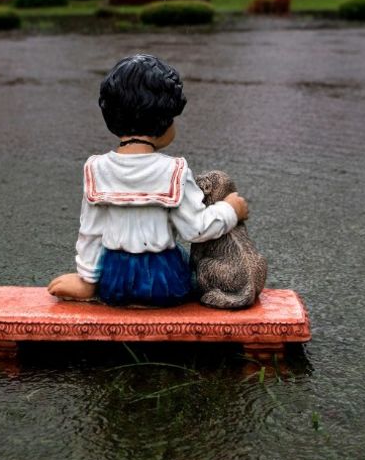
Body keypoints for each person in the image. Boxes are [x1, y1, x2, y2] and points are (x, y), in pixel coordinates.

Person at [47, 54, 249, 306]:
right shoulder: (174, 170)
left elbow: (91, 232)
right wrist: (230, 210)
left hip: (114, 282)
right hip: (163, 284)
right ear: (163, 120)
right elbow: (196, 229)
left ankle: (92, 287)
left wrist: (87, 280)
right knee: (191, 267)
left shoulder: (96, 169)